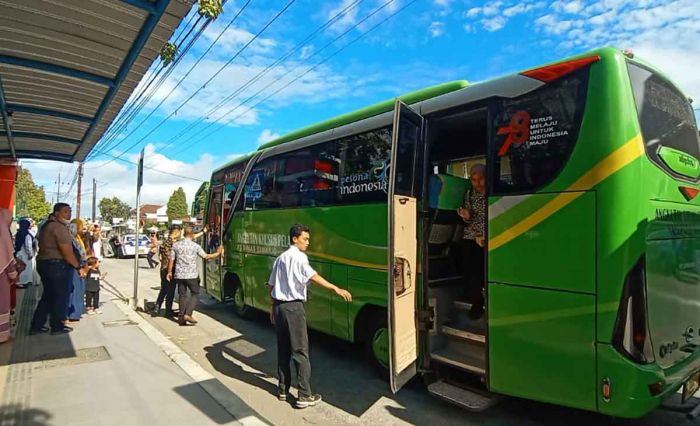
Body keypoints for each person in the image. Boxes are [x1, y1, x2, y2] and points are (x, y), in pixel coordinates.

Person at [267, 224, 352, 408]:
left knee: (283, 350)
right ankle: (304, 395)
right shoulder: (299, 257)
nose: (308, 243)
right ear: (294, 239)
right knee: (300, 351)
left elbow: (271, 286)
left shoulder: (280, 259)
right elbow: (313, 277)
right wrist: (335, 288)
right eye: (305, 239)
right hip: (294, 308)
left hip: (280, 308)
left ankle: (282, 389)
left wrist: (273, 308)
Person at [30, 203, 81, 335]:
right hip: (56, 265)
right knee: (59, 296)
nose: (68, 214)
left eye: (70, 211)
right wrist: (78, 266)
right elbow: (67, 252)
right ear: (57, 213)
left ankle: (37, 325)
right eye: (65, 212)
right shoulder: (58, 228)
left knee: (48, 296)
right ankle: (57, 326)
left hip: (44, 263)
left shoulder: (46, 225)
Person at [167, 226, 223, 326]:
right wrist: (218, 253)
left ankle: (181, 318)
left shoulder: (176, 245)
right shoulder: (195, 246)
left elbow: (172, 259)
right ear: (192, 235)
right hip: (191, 275)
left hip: (179, 275)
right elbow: (206, 257)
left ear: (184, 234)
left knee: (182, 295)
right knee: (195, 293)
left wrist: (169, 272)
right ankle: (188, 314)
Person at [456, 164, 487, 320]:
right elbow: (468, 220)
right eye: (474, 180)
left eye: (481, 179)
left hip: (489, 237)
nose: (478, 183)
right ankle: (477, 302)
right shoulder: (469, 195)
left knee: (484, 272)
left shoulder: (494, 194)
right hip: (471, 237)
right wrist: (466, 215)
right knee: (471, 272)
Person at [1, 209, 20, 343]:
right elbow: (6, 257)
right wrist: (14, 274)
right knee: (2, 305)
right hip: (1, 275)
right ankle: (2, 336)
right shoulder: (2, 236)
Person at [154, 225, 181, 317]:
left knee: (164, 289)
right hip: (170, 268)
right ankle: (168, 311)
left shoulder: (164, 242)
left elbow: (160, 256)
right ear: (176, 232)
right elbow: (171, 258)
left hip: (163, 268)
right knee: (171, 291)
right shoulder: (174, 243)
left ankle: (157, 308)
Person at [66, 219, 88, 322]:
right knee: (75, 290)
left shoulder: (77, 238)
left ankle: (75, 313)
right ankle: (72, 314)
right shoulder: (70, 240)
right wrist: (80, 267)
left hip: (80, 265)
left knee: (79, 290)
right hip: (75, 267)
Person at [14, 218, 36, 288]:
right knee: (25, 268)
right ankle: (24, 282)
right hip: (25, 254)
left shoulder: (18, 233)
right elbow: (28, 245)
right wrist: (30, 254)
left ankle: (19, 282)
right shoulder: (27, 235)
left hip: (18, 253)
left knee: (19, 268)